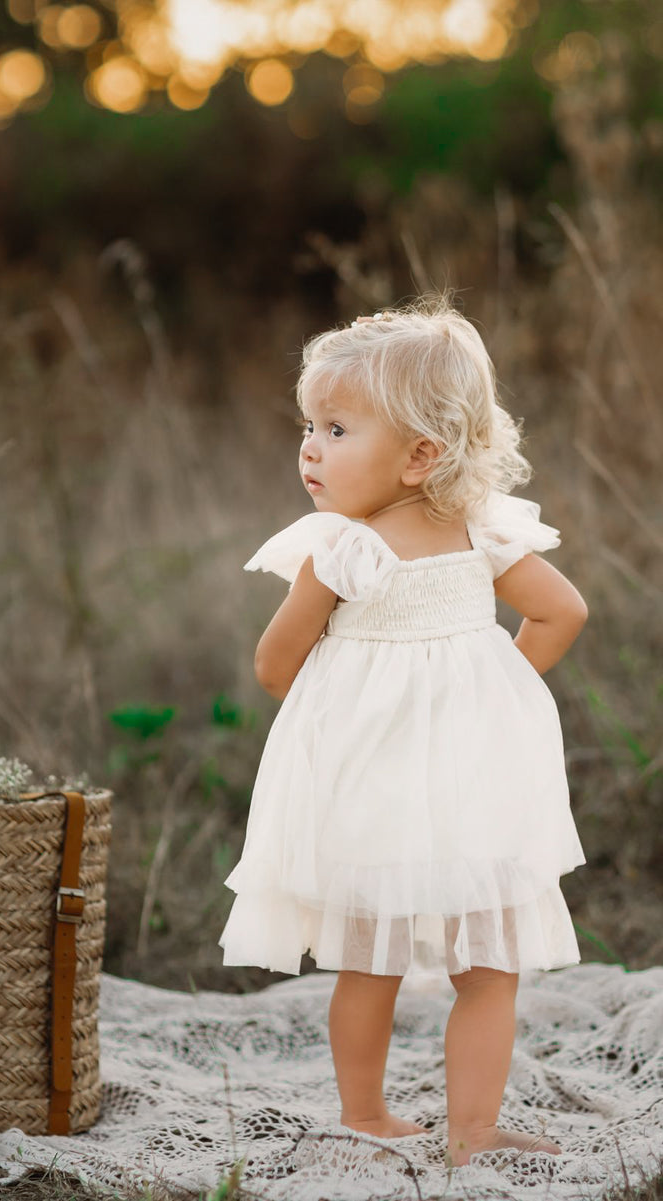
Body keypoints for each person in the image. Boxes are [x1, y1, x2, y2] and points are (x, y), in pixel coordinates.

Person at [218, 295, 589, 1167]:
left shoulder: (342, 550)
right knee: (489, 967)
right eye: (309, 425)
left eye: (339, 429)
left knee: (368, 957)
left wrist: (350, 698)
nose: (310, 446)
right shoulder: (482, 530)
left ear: (422, 454)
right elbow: (562, 612)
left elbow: (275, 667)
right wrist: (492, 693)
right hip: (474, 783)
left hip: (369, 785)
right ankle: (473, 1130)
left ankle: (367, 1111)